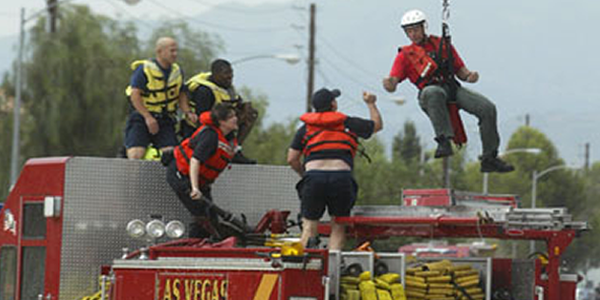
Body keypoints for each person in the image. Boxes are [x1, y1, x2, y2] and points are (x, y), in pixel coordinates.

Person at [382, 9, 514, 173]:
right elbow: (393, 81)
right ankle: (443, 140)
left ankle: (490, 157)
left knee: (487, 108)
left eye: (416, 29)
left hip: (451, 88)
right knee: (433, 93)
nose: (413, 34)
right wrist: (388, 83)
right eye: (409, 31)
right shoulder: (405, 55)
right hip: (429, 94)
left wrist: (470, 76)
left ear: (424, 27)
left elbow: (460, 70)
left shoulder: (442, 44)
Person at [287, 88, 383, 250]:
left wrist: (305, 174)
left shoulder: (305, 128)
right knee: (338, 226)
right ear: (333, 104)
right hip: (341, 178)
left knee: (309, 226)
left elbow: (291, 159)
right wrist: (371, 104)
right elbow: (377, 125)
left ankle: (304, 270)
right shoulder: (348, 123)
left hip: (314, 178)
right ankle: (332, 268)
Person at [166, 103, 238, 239]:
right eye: (231, 117)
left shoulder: (228, 138)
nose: (236, 119)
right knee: (201, 215)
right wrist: (195, 188)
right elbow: (195, 160)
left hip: (199, 182)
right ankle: (193, 247)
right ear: (221, 122)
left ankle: (210, 244)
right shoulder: (211, 136)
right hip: (181, 175)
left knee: (212, 216)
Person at [124, 37, 196, 160]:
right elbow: (135, 95)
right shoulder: (144, 70)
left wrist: (188, 112)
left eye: (176, 51)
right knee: (136, 154)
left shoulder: (177, 71)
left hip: (165, 119)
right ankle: (131, 177)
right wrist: (148, 117)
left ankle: (164, 178)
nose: (175, 54)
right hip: (142, 117)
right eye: (172, 51)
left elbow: (181, 94)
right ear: (159, 51)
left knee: (171, 155)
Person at [183, 59, 258, 164]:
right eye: (226, 73)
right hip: (200, 131)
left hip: (222, 124)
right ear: (216, 74)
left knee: (250, 114)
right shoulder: (204, 91)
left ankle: (235, 150)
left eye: (231, 73)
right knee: (229, 120)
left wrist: (241, 108)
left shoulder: (227, 87)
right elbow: (202, 119)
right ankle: (219, 152)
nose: (230, 76)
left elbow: (233, 102)